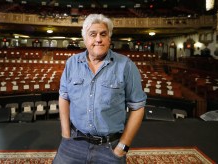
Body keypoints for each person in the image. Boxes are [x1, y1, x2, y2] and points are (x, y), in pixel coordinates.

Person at [53, 14, 147, 164]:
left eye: (103, 34)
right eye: (93, 34)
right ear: (85, 39)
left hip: (110, 146)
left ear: (109, 38)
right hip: (74, 142)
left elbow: (137, 107)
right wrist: (65, 134)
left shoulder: (126, 65)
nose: (98, 39)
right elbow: (64, 97)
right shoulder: (71, 63)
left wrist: (122, 146)